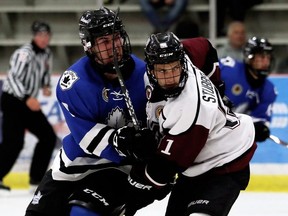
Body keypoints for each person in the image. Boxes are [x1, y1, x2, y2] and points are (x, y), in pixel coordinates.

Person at [25, 7, 159, 216]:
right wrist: (122, 140)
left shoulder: (146, 76)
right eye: (105, 42)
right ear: (88, 46)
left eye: (116, 38)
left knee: (83, 213)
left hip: (119, 167)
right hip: (75, 164)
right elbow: (86, 137)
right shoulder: (75, 83)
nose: (114, 46)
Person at [115, 32, 257, 216]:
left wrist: (130, 200)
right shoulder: (183, 57)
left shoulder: (191, 107)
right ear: (150, 68)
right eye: (162, 70)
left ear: (181, 63)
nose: (170, 77)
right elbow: (204, 46)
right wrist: (216, 85)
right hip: (194, 165)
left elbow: (163, 170)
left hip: (225, 160)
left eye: (174, 68)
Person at [0, 21, 57, 193]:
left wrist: (46, 86)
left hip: (28, 101)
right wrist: (26, 98)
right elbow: (12, 79)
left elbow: (44, 75)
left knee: (48, 137)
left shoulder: (47, 54)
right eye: (40, 35)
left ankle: (36, 179)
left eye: (46, 35)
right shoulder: (24, 53)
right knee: (14, 142)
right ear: (34, 36)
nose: (44, 38)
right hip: (13, 100)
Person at [219, 36, 277, 143]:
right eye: (261, 56)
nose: (266, 61)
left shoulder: (269, 90)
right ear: (249, 57)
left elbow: (259, 119)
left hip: (227, 136)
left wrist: (258, 129)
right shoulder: (228, 69)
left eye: (268, 57)